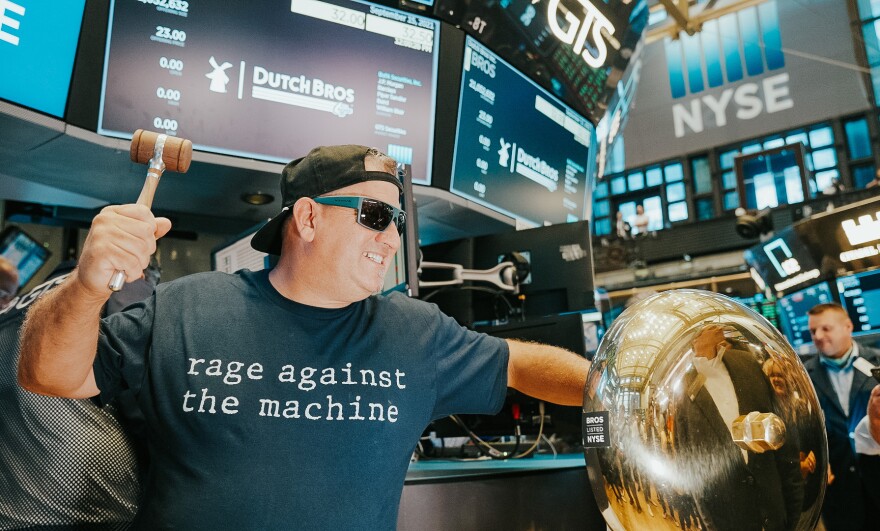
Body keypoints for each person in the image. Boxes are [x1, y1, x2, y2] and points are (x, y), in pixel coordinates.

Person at [18, 145, 590, 529]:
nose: (391, 239)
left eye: (397, 221)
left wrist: (615, 398)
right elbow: (47, 375)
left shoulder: (418, 334)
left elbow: (520, 364)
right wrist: (88, 286)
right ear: (309, 218)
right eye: (373, 214)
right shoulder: (186, 308)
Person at [1, 260, 157, 529]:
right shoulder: (121, 287)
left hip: (11, 513)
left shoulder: (11, 311)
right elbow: (145, 403)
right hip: (96, 512)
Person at [673, 324, 802, 531]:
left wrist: (796, 518)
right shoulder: (679, 387)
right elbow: (692, 470)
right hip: (727, 521)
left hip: (777, 517)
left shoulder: (747, 363)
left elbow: (784, 444)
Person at [804, 303, 880, 531]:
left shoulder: (878, 362)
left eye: (825, 328)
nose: (818, 336)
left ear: (848, 326)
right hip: (838, 491)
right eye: (813, 331)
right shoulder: (803, 375)